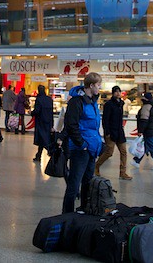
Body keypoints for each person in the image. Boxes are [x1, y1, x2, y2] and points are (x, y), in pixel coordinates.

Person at [62, 72, 104, 213]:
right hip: (81, 149)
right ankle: (67, 214)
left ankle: (84, 211)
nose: (100, 87)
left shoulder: (92, 102)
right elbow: (71, 124)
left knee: (87, 182)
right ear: (91, 85)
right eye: (98, 85)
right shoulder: (77, 102)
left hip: (92, 148)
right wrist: (82, 144)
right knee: (74, 184)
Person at [96, 85, 132, 180]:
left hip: (119, 131)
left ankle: (122, 172)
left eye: (119, 91)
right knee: (109, 152)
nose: (118, 93)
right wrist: (106, 132)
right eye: (116, 91)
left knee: (123, 152)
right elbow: (105, 120)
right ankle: (96, 166)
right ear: (113, 93)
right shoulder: (109, 104)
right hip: (111, 132)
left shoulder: (121, 104)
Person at [131, 92, 153, 170]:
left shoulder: (146, 107)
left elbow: (144, 120)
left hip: (147, 130)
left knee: (152, 147)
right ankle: (136, 161)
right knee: (146, 147)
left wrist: (141, 131)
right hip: (152, 129)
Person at [32, 85, 54, 162]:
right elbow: (51, 113)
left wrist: (32, 113)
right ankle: (39, 155)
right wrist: (52, 124)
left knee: (42, 140)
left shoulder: (39, 99)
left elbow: (37, 111)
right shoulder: (49, 99)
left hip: (40, 122)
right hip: (48, 122)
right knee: (46, 138)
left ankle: (51, 153)